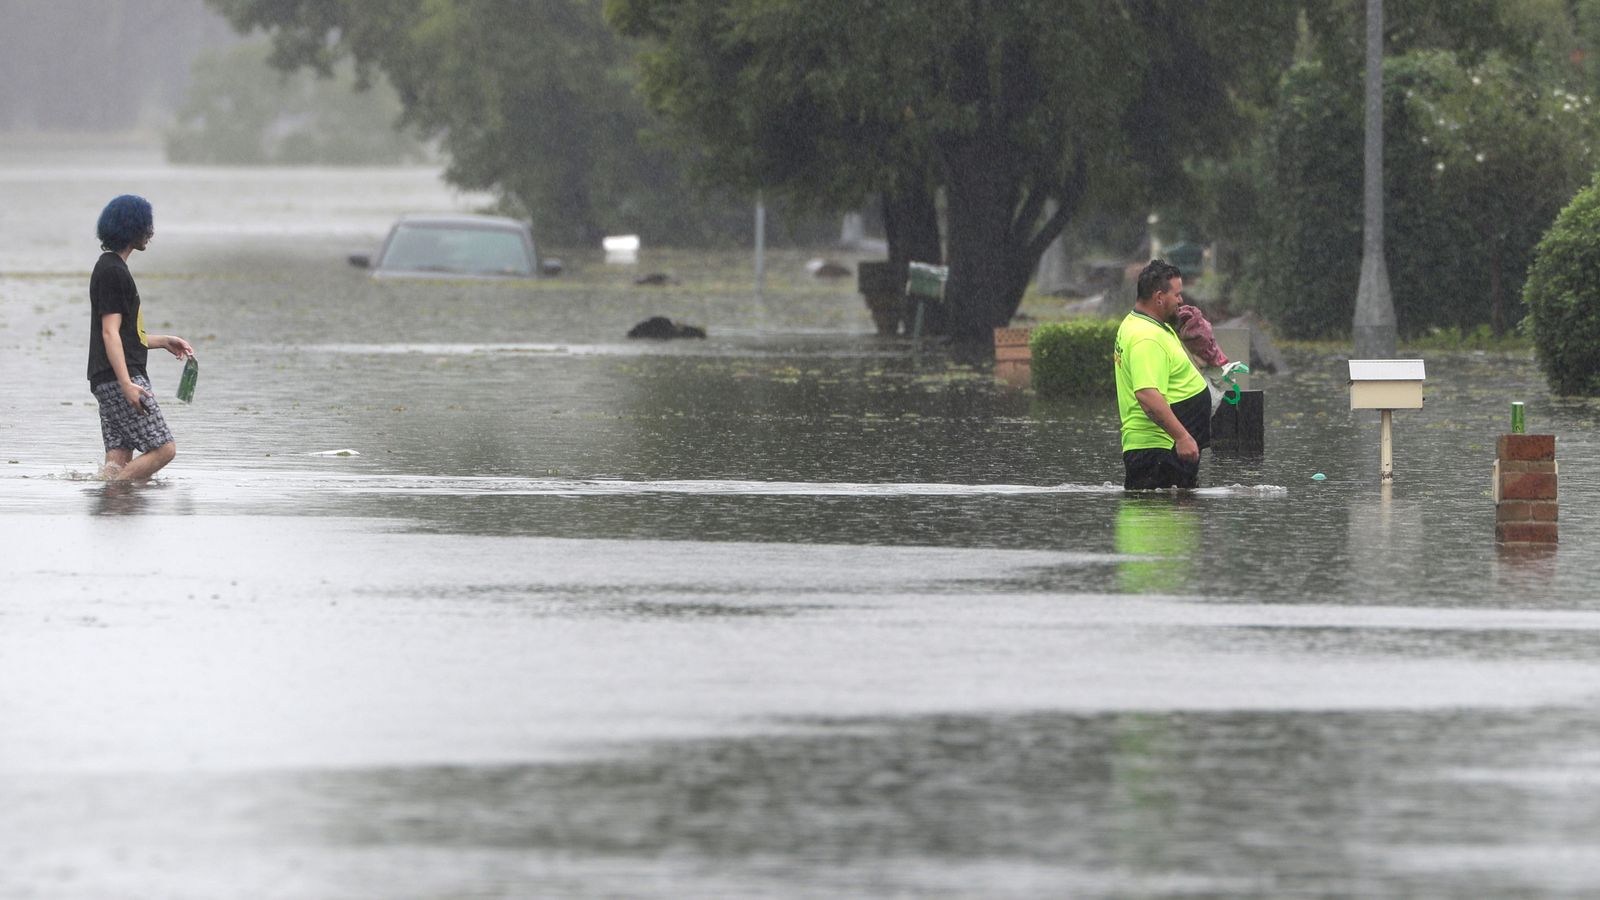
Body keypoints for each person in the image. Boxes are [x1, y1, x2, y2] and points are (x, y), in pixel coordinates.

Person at [87, 194, 193, 481]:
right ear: (130, 228)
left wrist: (162, 341)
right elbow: (109, 333)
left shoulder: (110, 267)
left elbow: (123, 334)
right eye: (146, 225)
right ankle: (110, 491)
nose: (151, 232)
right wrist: (128, 385)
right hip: (119, 378)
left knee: (119, 456)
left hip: (106, 378)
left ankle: (114, 509)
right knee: (164, 449)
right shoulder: (112, 271)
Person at [1114, 259, 1212, 490]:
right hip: (1159, 453)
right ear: (1159, 297)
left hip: (1164, 452)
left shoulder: (1145, 323)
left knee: (1178, 519)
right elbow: (1147, 395)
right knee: (1163, 519)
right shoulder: (1146, 338)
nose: (1181, 301)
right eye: (1177, 295)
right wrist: (1182, 437)